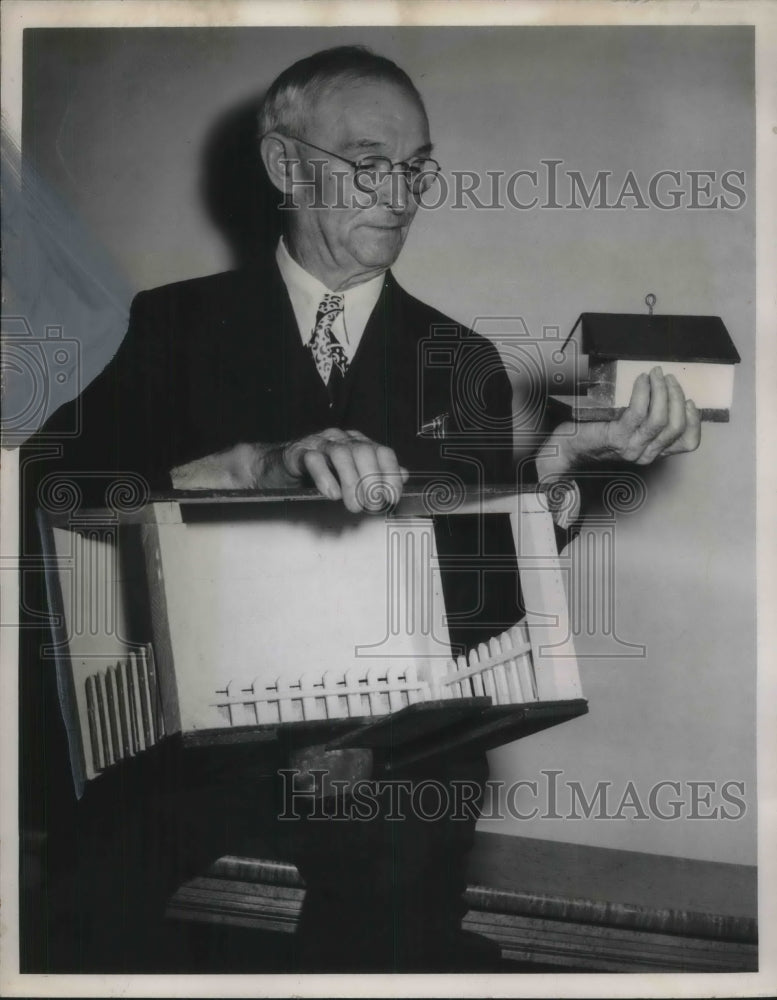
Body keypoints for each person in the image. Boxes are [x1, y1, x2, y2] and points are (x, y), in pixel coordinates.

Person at [25, 45, 701, 973]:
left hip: (390, 763)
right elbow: (52, 494)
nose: (401, 193)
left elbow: (473, 599)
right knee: (85, 919)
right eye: (369, 162)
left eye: (416, 166)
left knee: (400, 923)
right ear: (284, 165)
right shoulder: (173, 325)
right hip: (190, 753)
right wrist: (241, 468)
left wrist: (550, 476)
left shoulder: (456, 357)